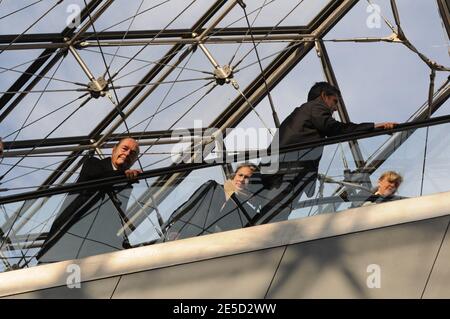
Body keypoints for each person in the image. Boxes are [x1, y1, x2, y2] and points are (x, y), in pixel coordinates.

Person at [257, 82, 397, 223]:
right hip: (289, 173)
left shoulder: (300, 113)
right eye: (334, 101)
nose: (335, 108)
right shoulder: (316, 107)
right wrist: (374, 127)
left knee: (270, 214)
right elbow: (334, 128)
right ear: (324, 96)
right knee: (272, 217)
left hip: (277, 170)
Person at [36, 137, 142, 263]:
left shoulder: (126, 184)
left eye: (133, 153)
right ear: (114, 150)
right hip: (66, 239)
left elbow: (114, 219)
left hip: (94, 250)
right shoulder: (93, 163)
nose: (127, 153)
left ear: (135, 160)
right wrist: (123, 176)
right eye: (125, 149)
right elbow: (99, 178)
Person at [162, 163, 259, 241]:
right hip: (187, 240)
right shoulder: (212, 188)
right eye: (240, 175)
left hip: (215, 250)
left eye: (247, 177)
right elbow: (189, 208)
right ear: (234, 176)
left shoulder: (248, 210)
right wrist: (174, 230)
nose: (242, 179)